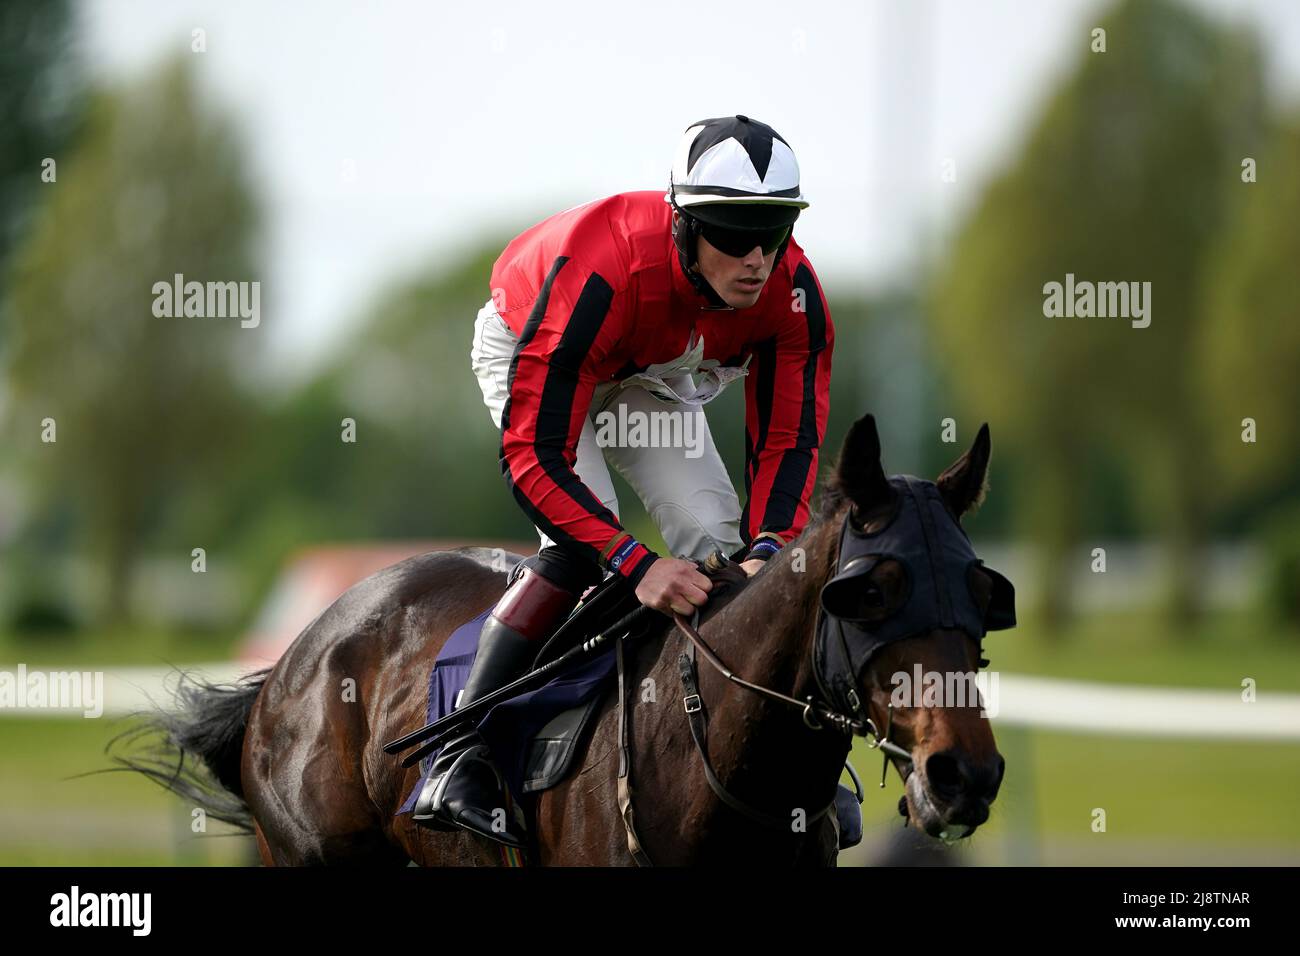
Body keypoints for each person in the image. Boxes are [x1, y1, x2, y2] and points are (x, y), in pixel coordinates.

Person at [414, 115, 834, 846]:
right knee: (582, 549)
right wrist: (635, 565)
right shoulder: (604, 271)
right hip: (541, 340)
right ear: (683, 225)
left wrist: (772, 547)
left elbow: (789, 443)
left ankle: (763, 758)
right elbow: (533, 460)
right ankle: (460, 750)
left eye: (774, 230)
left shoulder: (794, 294)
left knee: (725, 544)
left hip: (648, 367)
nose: (758, 258)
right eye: (734, 234)